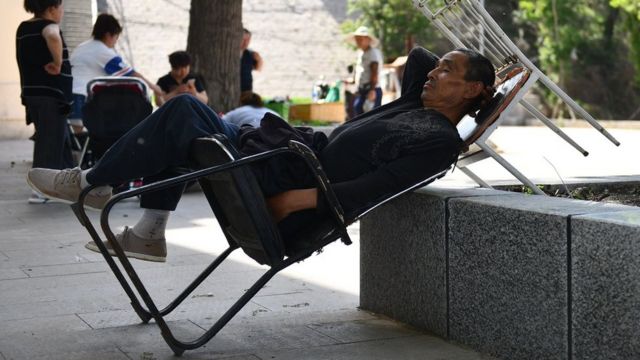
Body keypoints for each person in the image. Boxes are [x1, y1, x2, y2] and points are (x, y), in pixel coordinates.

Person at [27, 47, 496, 263]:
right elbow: (417, 59)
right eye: (439, 66)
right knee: (186, 124)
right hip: (280, 160)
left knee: (187, 111)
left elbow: (372, 191)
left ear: (472, 88)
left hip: (284, 188)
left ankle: (92, 183)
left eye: (449, 70)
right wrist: (484, 91)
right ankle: (144, 228)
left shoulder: (437, 140)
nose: (433, 72)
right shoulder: (414, 102)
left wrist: (296, 200)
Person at [17, 0, 74, 204]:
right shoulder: (48, 26)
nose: (62, 12)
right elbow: (52, 36)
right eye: (61, 8)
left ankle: (69, 185)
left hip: (33, 93)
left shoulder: (24, 28)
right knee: (49, 141)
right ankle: (41, 189)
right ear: (51, 9)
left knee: (60, 139)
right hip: (51, 94)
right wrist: (58, 64)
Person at [69, 13, 162, 128]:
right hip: (82, 97)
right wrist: (155, 88)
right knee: (88, 135)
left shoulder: (82, 47)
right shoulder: (104, 52)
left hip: (67, 95)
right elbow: (132, 75)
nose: (115, 42)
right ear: (108, 35)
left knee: (76, 139)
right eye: (116, 37)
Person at [345, 26, 384, 116]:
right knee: (358, 110)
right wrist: (354, 81)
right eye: (357, 39)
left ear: (368, 40)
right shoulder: (361, 53)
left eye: (360, 39)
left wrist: (372, 90)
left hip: (371, 89)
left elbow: (375, 72)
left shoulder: (373, 53)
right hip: (362, 89)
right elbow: (361, 71)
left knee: (370, 117)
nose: (358, 41)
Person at [240, 28, 263, 96]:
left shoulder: (250, 54)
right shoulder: (231, 54)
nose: (245, 42)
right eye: (243, 40)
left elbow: (258, 69)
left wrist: (259, 60)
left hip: (247, 89)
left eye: (248, 40)